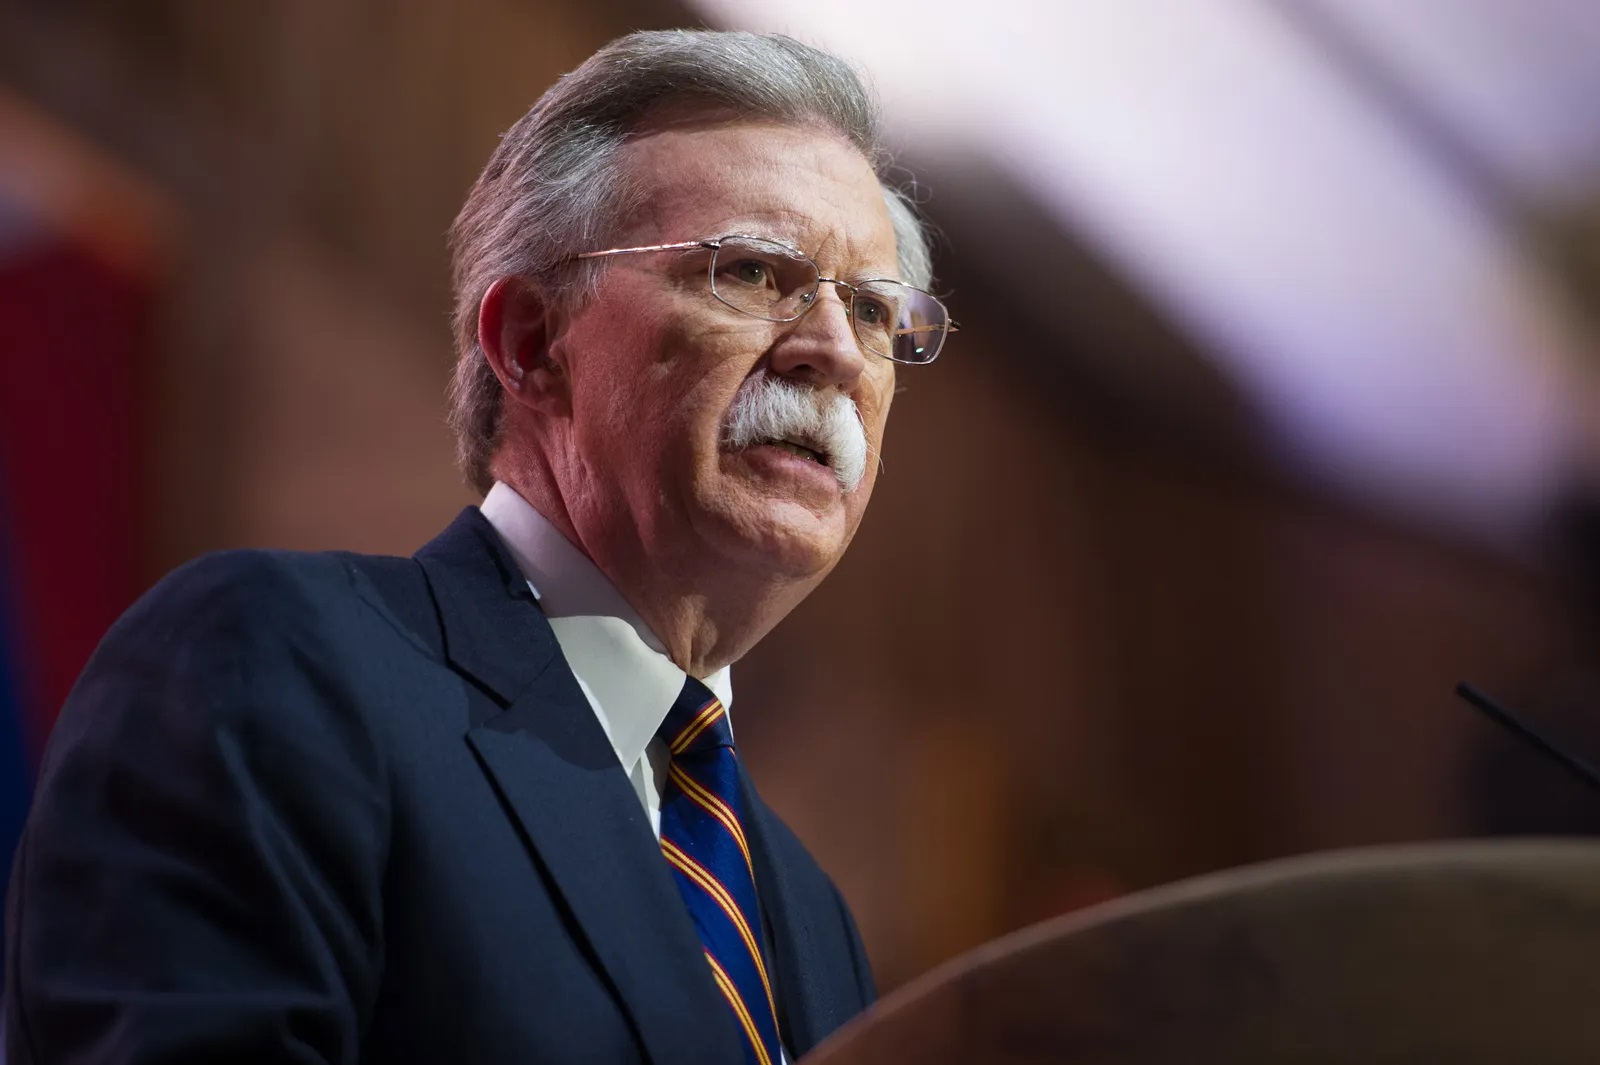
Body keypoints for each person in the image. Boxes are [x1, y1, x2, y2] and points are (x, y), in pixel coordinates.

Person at [3, 28, 953, 1065]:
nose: (831, 351)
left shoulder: (808, 920)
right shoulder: (275, 667)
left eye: (870, 310)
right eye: (756, 272)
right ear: (531, 344)